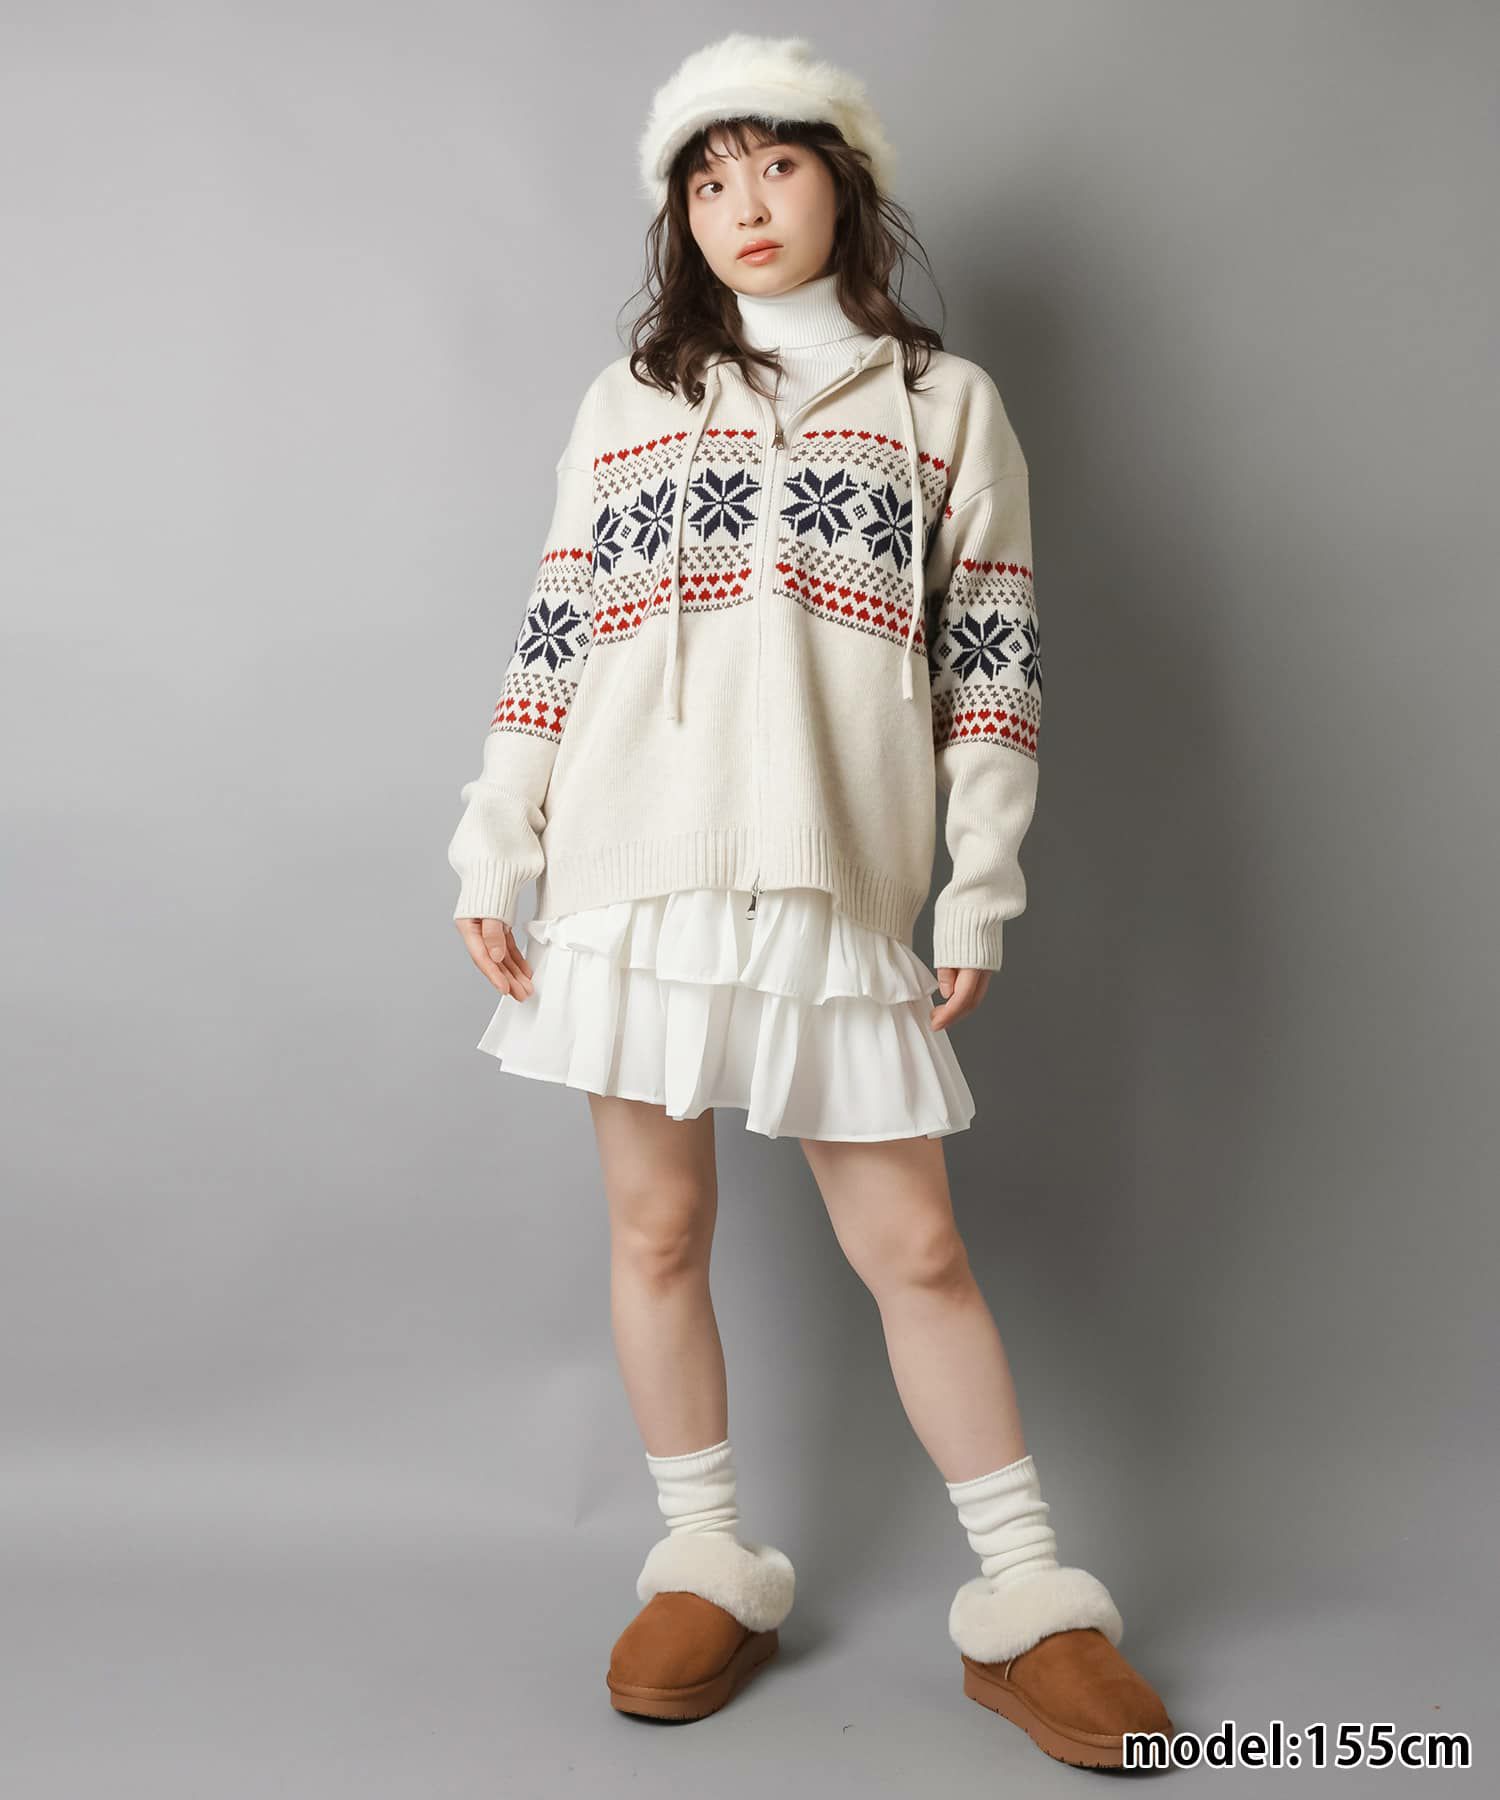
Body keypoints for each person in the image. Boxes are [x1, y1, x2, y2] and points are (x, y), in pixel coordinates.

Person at [447, 32, 1174, 1768]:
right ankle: (706, 1559)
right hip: (630, 874)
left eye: (775, 164)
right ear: (680, 215)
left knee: (914, 1246)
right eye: (708, 179)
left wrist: (976, 889)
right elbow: (556, 635)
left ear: (843, 182)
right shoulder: (628, 405)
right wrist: (498, 841)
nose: (744, 204)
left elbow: (992, 668)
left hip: (832, 878)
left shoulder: (946, 405)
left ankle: (1027, 1601)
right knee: (657, 1231)